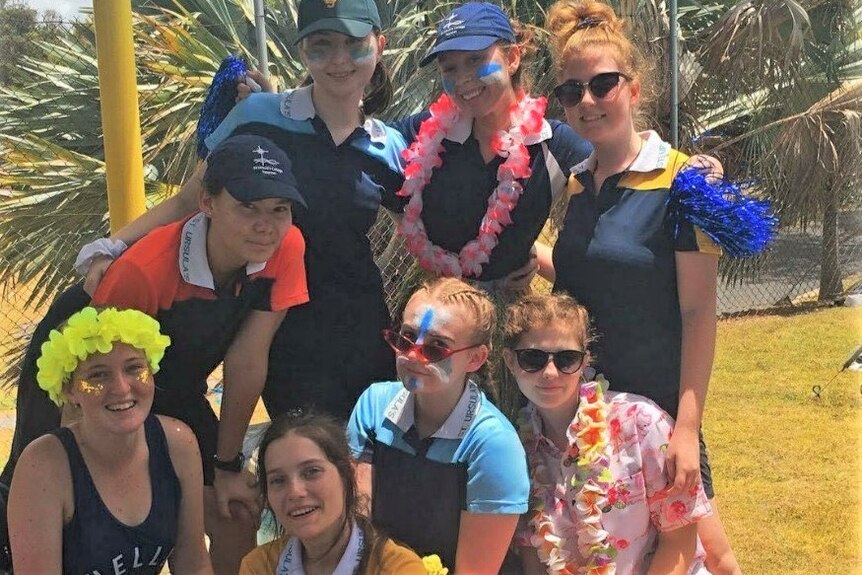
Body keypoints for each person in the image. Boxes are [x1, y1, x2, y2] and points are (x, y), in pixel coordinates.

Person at [79, 0, 402, 424]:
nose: (340, 60)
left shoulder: (391, 145)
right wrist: (112, 246)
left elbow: (421, 230)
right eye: (322, 46)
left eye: (354, 44)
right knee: (303, 464)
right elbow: (187, 200)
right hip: (276, 331)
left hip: (363, 330)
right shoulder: (258, 115)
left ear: (380, 45)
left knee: (369, 466)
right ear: (302, 50)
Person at [2, 133, 310, 575]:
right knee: (56, 488)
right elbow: (95, 378)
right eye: (248, 206)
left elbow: (246, 360)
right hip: (87, 366)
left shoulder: (287, 246)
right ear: (207, 202)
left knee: (234, 508)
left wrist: (226, 465)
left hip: (171, 379)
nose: (266, 224)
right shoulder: (142, 272)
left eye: (278, 209)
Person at [537, 2, 741, 573]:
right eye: (571, 91)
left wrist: (688, 428)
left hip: (659, 411)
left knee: (711, 556)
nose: (587, 101)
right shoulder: (577, 188)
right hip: (593, 405)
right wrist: (530, 258)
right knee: (625, 548)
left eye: (603, 84)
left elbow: (699, 312)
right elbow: (597, 274)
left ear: (634, 88)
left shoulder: (684, 183)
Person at [502, 293, 713, 575]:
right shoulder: (513, 448)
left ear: (584, 361)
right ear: (510, 361)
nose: (550, 373)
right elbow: (532, 555)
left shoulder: (641, 424)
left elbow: (679, 542)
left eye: (567, 359)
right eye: (532, 358)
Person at [388, 2, 592, 290]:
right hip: (439, 311)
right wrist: (402, 218)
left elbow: (619, 173)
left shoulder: (553, 145)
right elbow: (364, 156)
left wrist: (533, 256)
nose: (462, 79)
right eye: (450, 68)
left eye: (475, 60)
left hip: (512, 316)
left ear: (513, 58)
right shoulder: (425, 134)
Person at [7, 307, 213, 574]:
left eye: (134, 368)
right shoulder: (44, 467)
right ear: (70, 390)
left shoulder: (177, 443)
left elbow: (193, 563)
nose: (121, 388)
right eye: (98, 375)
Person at [347, 277, 529, 574]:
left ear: (476, 358)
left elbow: (474, 572)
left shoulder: (492, 443)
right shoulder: (373, 405)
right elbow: (358, 531)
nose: (412, 355)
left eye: (436, 348)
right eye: (406, 338)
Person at [240, 411, 427, 575]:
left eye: (311, 471)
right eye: (278, 480)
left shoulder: (398, 569)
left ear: (348, 474)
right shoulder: (258, 567)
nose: (295, 492)